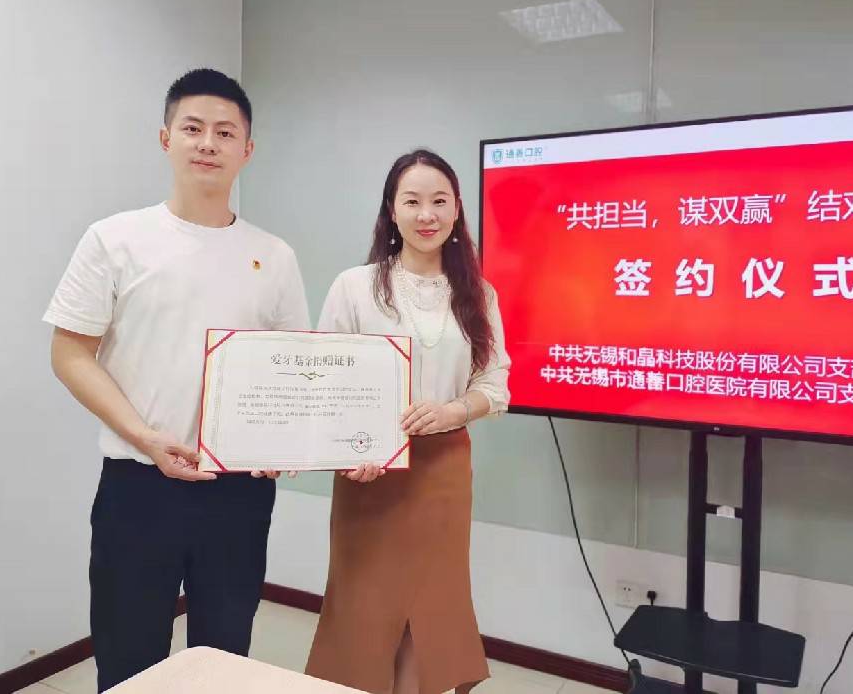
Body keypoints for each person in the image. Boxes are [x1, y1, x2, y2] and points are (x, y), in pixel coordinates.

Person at [43, 68, 310, 692]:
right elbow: (70, 353)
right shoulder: (114, 239)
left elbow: (292, 365)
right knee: (128, 657)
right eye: (193, 128)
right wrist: (145, 436)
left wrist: (288, 439)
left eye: (225, 132)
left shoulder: (275, 256)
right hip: (138, 484)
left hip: (239, 491)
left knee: (224, 658)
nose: (208, 143)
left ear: (248, 149)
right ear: (166, 139)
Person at [305, 149, 511, 694]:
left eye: (439, 201)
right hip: (368, 472)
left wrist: (452, 411)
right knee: (364, 604)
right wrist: (348, 451)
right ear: (391, 210)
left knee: (432, 607)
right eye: (412, 201)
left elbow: (495, 385)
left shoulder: (479, 293)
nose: (427, 215)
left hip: (443, 470)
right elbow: (324, 379)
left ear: (457, 209)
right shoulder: (355, 286)